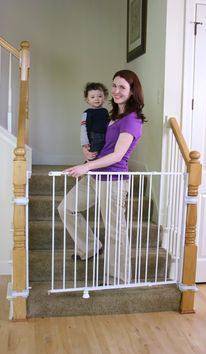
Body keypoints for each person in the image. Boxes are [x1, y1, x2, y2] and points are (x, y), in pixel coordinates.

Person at [58, 70, 146, 285]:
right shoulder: (112, 115)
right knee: (66, 208)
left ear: (132, 91)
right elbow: (103, 146)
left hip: (114, 181)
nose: (116, 91)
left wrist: (85, 167)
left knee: (116, 230)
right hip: (95, 175)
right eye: (114, 85)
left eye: (122, 87)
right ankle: (90, 247)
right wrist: (87, 153)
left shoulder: (132, 119)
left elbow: (117, 155)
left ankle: (117, 277)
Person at [80, 82, 109, 161]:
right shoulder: (87, 113)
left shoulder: (105, 111)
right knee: (93, 156)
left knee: (104, 157)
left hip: (106, 138)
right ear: (87, 100)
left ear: (104, 97)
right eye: (92, 97)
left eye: (99, 96)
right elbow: (83, 129)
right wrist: (84, 143)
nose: (96, 99)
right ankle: (89, 169)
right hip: (94, 139)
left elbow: (109, 125)